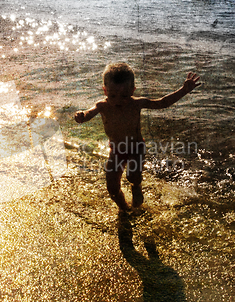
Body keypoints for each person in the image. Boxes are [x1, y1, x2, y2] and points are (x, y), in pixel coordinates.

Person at [74, 63, 201, 211]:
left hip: (136, 148)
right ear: (105, 90)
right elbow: (89, 113)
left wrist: (184, 90)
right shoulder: (102, 106)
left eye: (125, 96)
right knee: (112, 187)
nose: (118, 100)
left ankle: (136, 186)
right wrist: (81, 116)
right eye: (113, 95)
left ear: (133, 91)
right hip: (116, 150)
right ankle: (124, 209)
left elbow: (162, 103)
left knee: (133, 176)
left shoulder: (136, 104)